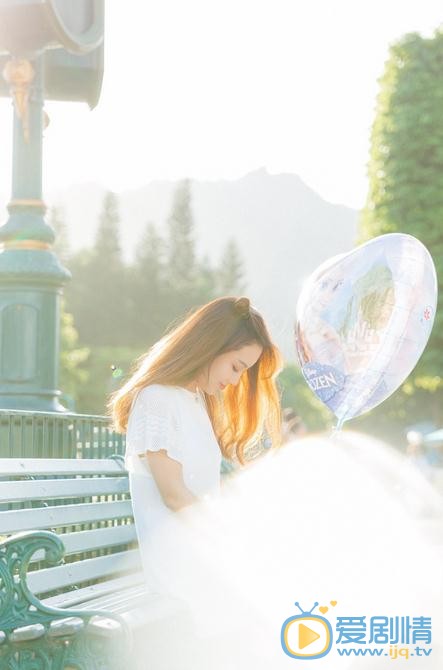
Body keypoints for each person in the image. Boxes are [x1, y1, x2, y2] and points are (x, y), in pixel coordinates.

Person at [107, 295, 283, 645]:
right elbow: (173, 495)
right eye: (236, 367)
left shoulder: (196, 401)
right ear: (210, 346)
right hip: (176, 563)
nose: (235, 381)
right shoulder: (156, 399)